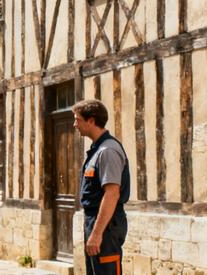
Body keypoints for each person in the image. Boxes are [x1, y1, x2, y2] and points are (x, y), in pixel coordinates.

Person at [72, 100, 131, 275]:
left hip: (106, 226)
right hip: (97, 222)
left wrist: (97, 234)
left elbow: (112, 194)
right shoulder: (97, 150)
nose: (75, 124)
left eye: (78, 119)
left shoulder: (107, 151)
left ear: (91, 120)